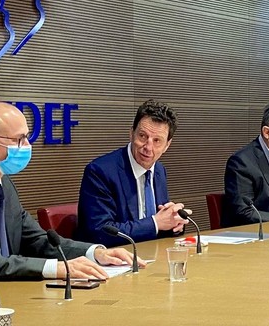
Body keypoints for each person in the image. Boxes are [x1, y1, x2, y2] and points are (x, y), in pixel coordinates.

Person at [0, 101, 143, 299]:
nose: (27, 146)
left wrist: (95, 253)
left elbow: (36, 239)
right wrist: (54, 268)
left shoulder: (3, 182)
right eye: (19, 140)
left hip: (2, 294)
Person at [76, 100, 188, 247]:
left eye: (157, 141)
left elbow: (159, 226)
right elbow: (100, 232)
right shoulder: (100, 172)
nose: (148, 147)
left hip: (150, 254)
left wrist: (174, 223)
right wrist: (155, 223)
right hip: (112, 256)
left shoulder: (159, 170)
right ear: (131, 133)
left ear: (167, 145)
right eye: (142, 136)